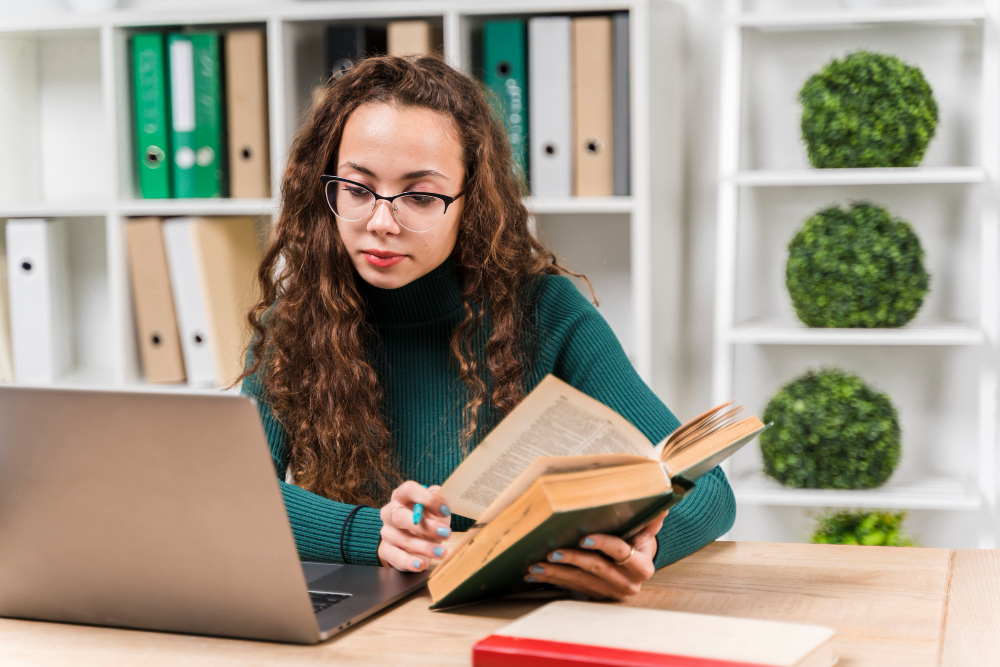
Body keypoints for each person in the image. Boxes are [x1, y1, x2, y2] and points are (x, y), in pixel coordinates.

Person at [239, 53, 735, 601]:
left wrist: (643, 549)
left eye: (421, 197)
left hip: (513, 622)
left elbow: (706, 486)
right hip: (364, 628)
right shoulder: (297, 319)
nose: (381, 222)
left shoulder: (544, 310)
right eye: (357, 190)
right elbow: (235, 487)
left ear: (471, 201)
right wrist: (372, 535)